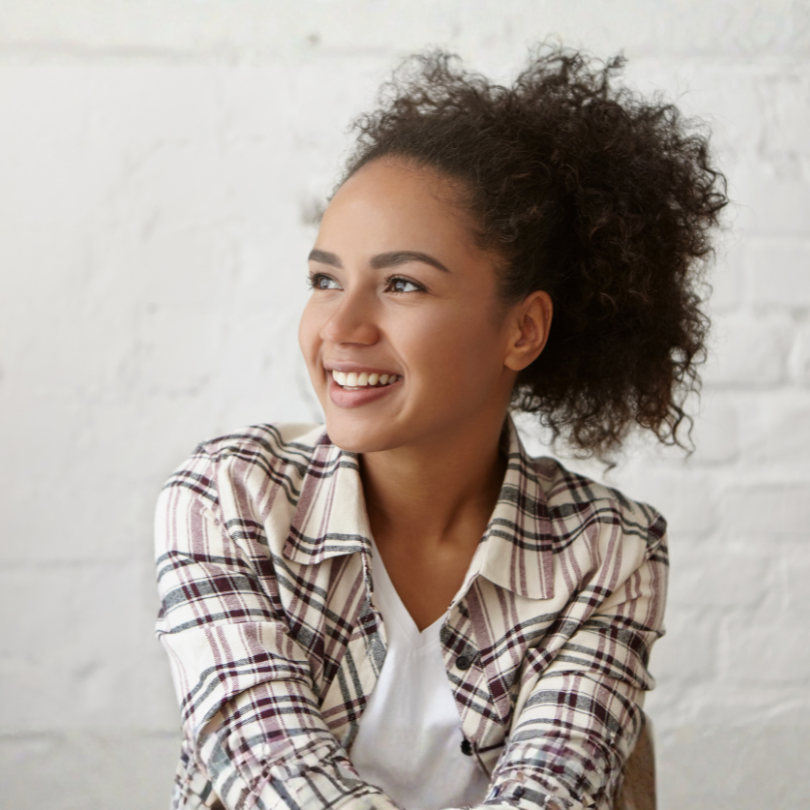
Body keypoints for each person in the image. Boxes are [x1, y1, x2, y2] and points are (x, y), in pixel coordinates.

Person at [154, 45, 727, 810]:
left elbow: (555, 794)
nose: (342, 327)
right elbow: (274, 776)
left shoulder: (608, 555)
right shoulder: (228, 501)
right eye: (326, 280)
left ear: (522, 330)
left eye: (401, 284)